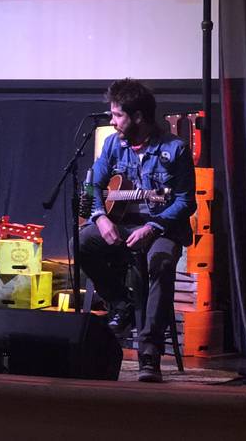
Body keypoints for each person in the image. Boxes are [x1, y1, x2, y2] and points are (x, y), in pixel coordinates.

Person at [77, 78, 196, 383]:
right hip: (121, 222)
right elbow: (94, 185)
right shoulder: (113, 144)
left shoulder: (175, 149)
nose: (112, 121)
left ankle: (149, 352)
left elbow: (186, 201)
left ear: (139, 117)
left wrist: (153, 227)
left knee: (161, 262)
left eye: (118, 115)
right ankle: (121, 303)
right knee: (80, 243)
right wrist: (101, 218)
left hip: (162, 227)